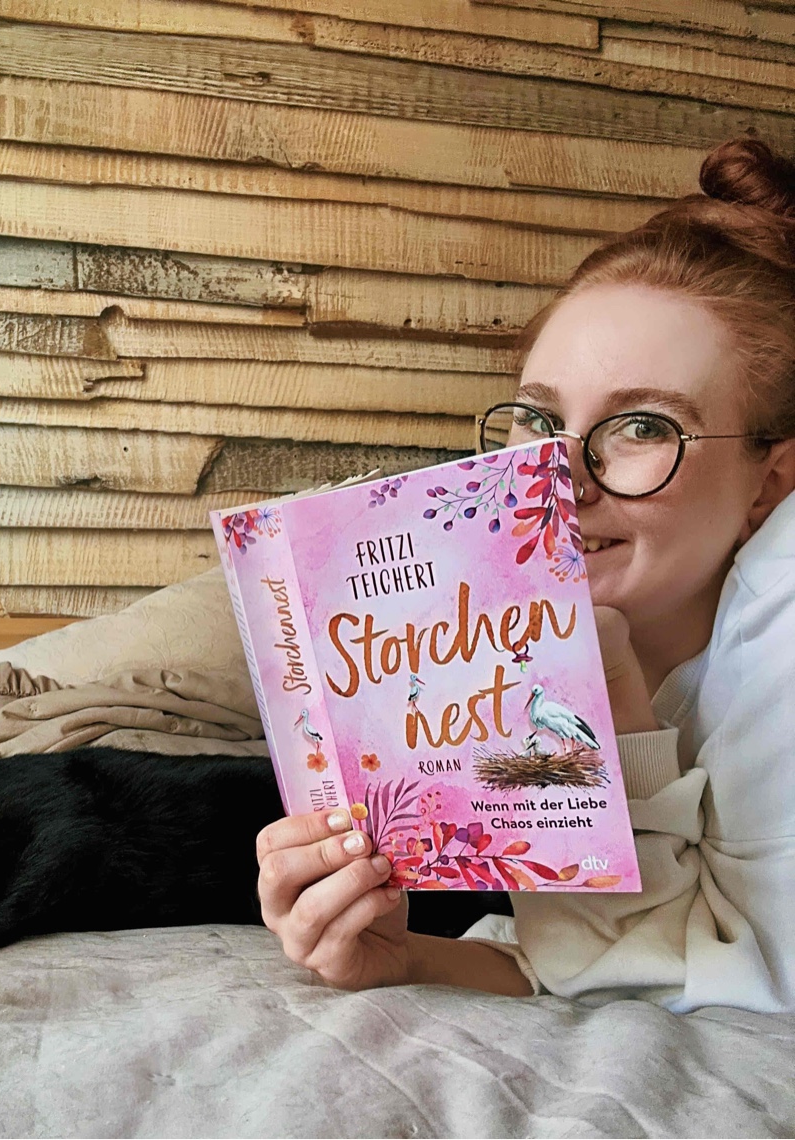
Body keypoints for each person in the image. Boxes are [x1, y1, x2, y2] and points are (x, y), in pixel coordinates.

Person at [255, 136, 795, 1013]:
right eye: (540, 421)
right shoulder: (518, 645)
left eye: (644, 426)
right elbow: (594, 960)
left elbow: (748, 986)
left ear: (770, 482)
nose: (556, 479)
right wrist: (402, 958)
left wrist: (616, 707)